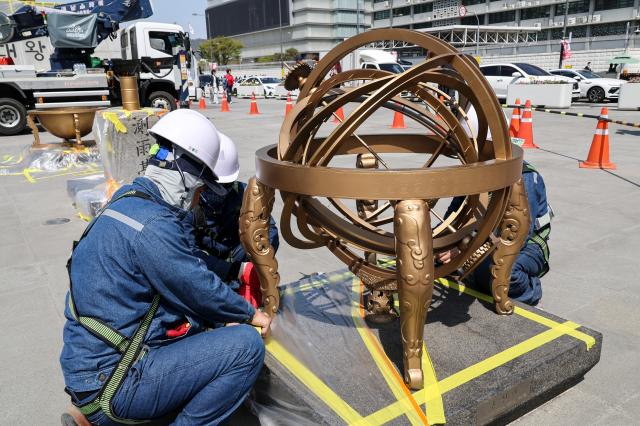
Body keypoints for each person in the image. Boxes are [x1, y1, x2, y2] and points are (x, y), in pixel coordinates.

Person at [60, 109, 271, 426]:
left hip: (91, 370)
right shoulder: (154, 224)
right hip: (115, 382)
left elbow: (183, 264)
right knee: (245, 347)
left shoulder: (127, 201)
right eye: (200, 191)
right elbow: (193, 284)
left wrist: (229, 279)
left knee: (196, 329)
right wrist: (248, 313)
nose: (198, 201)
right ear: (186, 178)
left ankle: (96, 417)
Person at [438, 106, 551, 306]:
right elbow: (454, 212)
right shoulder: (476, 171)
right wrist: (444, 240)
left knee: (502, 273)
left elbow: (518, 236)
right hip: (480, 240)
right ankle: (470, 272)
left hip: (526, 245)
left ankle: (531, 292)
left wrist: (464, 251)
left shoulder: (524, 178)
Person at [189, 132, 279, 308]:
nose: (221, 191)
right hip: (208, 266)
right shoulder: (188, 204)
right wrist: (234, 271)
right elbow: (186, 253)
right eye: (216, 187)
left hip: (239, 255)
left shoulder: (244, 194)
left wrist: (257, 261)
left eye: (226, 185)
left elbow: (271, 229)